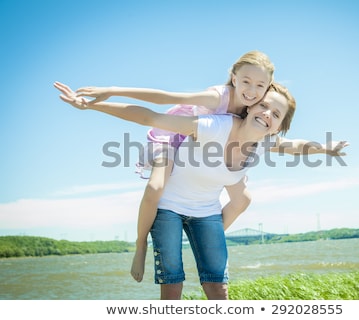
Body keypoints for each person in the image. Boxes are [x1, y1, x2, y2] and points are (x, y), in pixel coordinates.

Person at [55, 81, 348, 300]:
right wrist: (89, 105)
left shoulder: (263, 143)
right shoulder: (214, 126)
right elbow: (151, 118)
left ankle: (206, 245)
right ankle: (140, 244)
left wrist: (326, 149)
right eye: (263, 105)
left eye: (276, 114)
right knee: (173, 285)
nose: (267, 113)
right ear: (251, 106)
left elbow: (294, 146)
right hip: (167, 207)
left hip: (205, 211)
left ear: (278, 127)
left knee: (218, 287)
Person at [73, 51, 276, 283]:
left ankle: (203, 242)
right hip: (173, 135)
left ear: (268, 86)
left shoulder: (260, 107)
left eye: (260, 85)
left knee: (243, 198)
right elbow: (164, 98)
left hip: (205, 150)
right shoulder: (217, 97)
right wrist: (110, 92)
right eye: (246, 81)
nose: (251, 90)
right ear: (234, 77)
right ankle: (141, 245)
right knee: (155, 186)